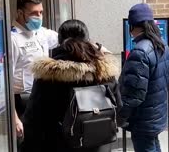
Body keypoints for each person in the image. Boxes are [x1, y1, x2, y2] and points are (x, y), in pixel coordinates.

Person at [22, 19, 120, 152]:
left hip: (58, 144)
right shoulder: (103, 71)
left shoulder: (48, 74)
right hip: (98, 144)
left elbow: (34, 118)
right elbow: (118, 105)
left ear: (59, 41)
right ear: (88, 39)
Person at [118, 3, 169, 152]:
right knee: (154, 144)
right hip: (156, 113)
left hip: (143, 119)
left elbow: (134, 93)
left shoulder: (140, 51)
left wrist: (121, 115)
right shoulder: (163, 46)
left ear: (134, 26)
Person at [11, 0, 58, 139]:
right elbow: (6, 84)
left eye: (41, 12)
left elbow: (69, 38)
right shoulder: (12, 39)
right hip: (23, 101)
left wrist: (97, 47)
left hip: (43, 97)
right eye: (34, 13)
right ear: (20, 13)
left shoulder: (41, 33)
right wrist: (14, 118)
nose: (39, 16)